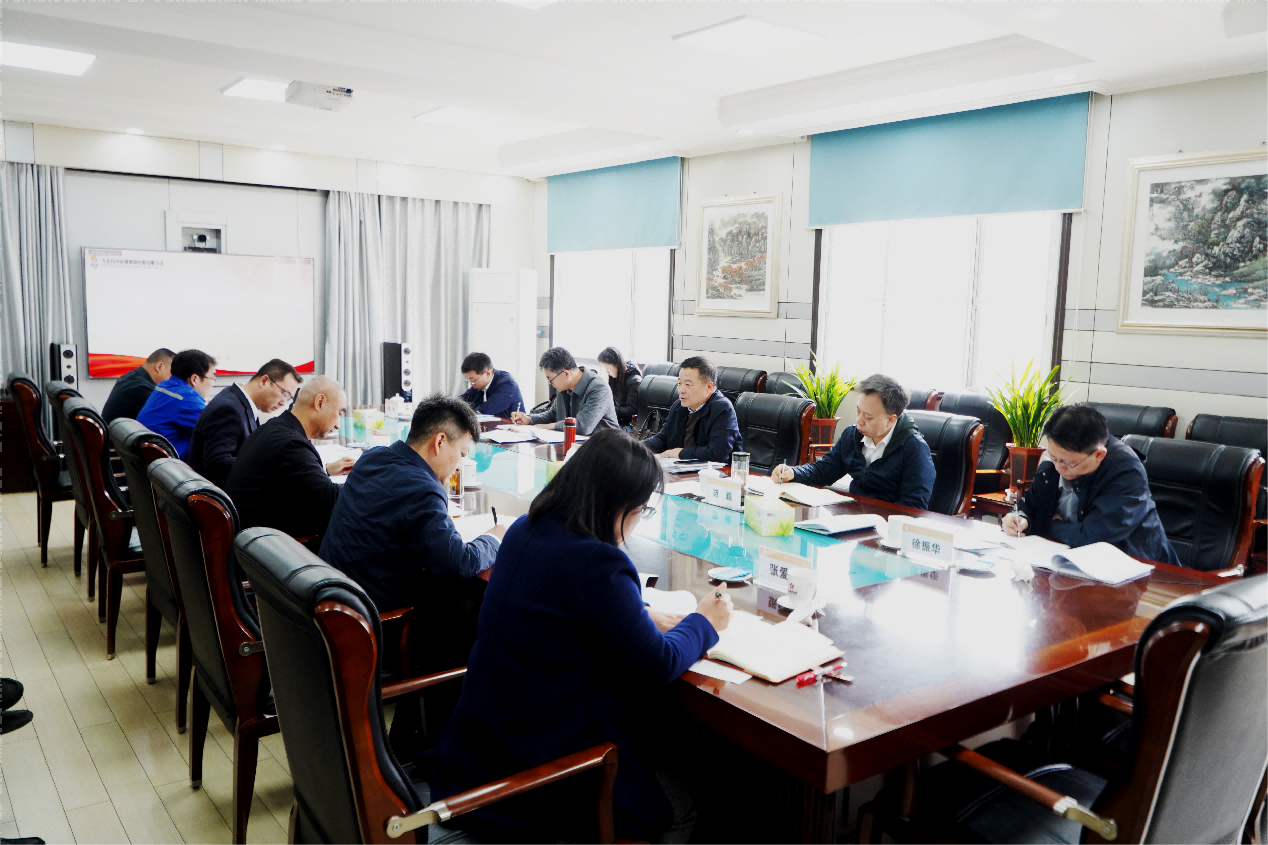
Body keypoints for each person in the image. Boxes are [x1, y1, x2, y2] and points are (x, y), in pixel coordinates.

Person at [436, 429, 731, 844]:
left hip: (481, 749)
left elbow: (563, 605)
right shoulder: (599, 562)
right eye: (641, 509)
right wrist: (704, 622)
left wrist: (640, 612)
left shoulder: (523, 529)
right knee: (682, 808)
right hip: (542, 770)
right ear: (618, 504)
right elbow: (658, 664)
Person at [321, 393, 505, 666]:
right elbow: (459, 562)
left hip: (332, 609)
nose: (459, 465)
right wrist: (495, 536)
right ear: (440, 441)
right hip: (376, 628)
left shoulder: (373, 457)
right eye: (462, 454)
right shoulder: (421, 489)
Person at [1003, 403, 1181, 565]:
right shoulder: (1055, 465)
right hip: (1068, 563)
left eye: (1067, 463)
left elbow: (1096, 537)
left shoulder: (1127, 473)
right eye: (1053, 457)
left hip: (1138, 570)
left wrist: (1053, 525)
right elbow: (1029, 506)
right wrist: (1020, 518)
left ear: (1099, 455)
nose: (1057, 467)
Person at [773, 373, 935, 509]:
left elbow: (913, 507)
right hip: (854, 517)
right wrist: (794, 472)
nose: (859, 421)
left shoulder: (914, 449)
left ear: (891, 420)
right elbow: (824, 471)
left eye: (868, 417)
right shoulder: (852, 435)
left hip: (887, 526)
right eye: (858, 412)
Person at [224, 375, 354, 542]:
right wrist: (369, 476)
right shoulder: (290, 444)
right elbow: (333, 500)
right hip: (265, 547)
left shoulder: (273, 428)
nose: (338, 425)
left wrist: (325, 469)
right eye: (339, 413)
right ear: (320, 402)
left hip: (250, 540)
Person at [187, 359, 302, 487]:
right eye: (284, 394)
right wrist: (268, 462)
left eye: (289, 399)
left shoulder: (240, 402)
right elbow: (217, 465)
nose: (283, 403)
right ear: (264, 381)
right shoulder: (228, 409)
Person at [641, 356, 741, 464]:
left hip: (718, 472)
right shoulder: (679, 406)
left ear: (709, 387)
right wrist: (635, 447)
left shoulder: (723, 409)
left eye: (688, 384)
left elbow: (717, 453)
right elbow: (663, 439)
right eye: (679, 383)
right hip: (682, 469)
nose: (681, 390)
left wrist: (680, 453)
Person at [509, 346, 618, 435]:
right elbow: (552, 415)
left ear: (566, 374)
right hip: (575, 444)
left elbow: (583, 426)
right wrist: (529, 419)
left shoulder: (598, 388)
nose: (550, 383)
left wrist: (546, 427)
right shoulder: (564, 388)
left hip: (604, 447)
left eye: (550, 379)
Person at [135, 349, 217, 461]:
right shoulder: (186, 399)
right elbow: (217, 429)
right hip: (163, 467)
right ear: (194, 379)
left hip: (146, 463)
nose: (212, 384)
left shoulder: (165, 386)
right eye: (212, 378)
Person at [102, 348, 174, 423]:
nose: (175, 378)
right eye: (173, 372)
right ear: (159, 367)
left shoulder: (132, 378)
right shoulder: (142, 389)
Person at [458, 352, 524, 419]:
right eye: (469, 380)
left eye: (474, 380)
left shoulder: (507, 384)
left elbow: (485, 410)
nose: (471, 383)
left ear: (487, 374)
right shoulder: (478, 385)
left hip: (510, 425)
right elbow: (463, 400)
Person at [598, 346, 642, 428]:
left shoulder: (634, 381)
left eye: (608, 368)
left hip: (628, 425)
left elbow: (631, 410)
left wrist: (607, 409)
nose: (607, 372)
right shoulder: (615, 376)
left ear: (617, 365)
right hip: (618, 421)